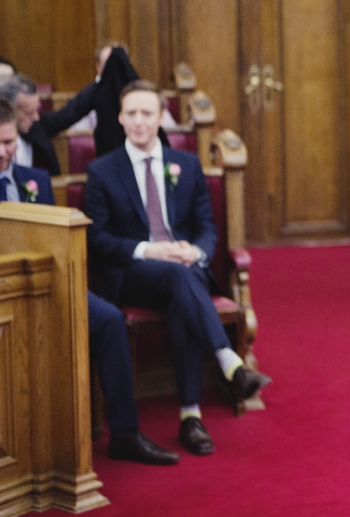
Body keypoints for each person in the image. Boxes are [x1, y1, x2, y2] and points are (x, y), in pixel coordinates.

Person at [84, 81, 271, 456]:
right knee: (177, 279)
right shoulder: (102, 171)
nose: (139, 121)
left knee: (181, 283)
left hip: (184, 270)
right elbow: (98, 240)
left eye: (147, 113)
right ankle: (225, 367)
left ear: (160, 118)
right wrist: (147, 249)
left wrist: (196, 251)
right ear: (120, 118)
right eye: (131, 114)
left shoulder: (185, 164)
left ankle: (191, 417)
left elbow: (206, 226)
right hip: (134, 273)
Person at [0, 99, 178, 464]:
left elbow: (57, 243)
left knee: (109, 319)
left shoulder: (33, 180)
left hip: (48, 286)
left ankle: (125, 434)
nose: (6, 152)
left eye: (10, 142)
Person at [0, 72, 100, 175]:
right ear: (9, 109)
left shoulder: (37, 127)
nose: (36, 118)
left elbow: (73, 111)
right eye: (28, 113)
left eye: (36, 111)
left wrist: (103, 80)